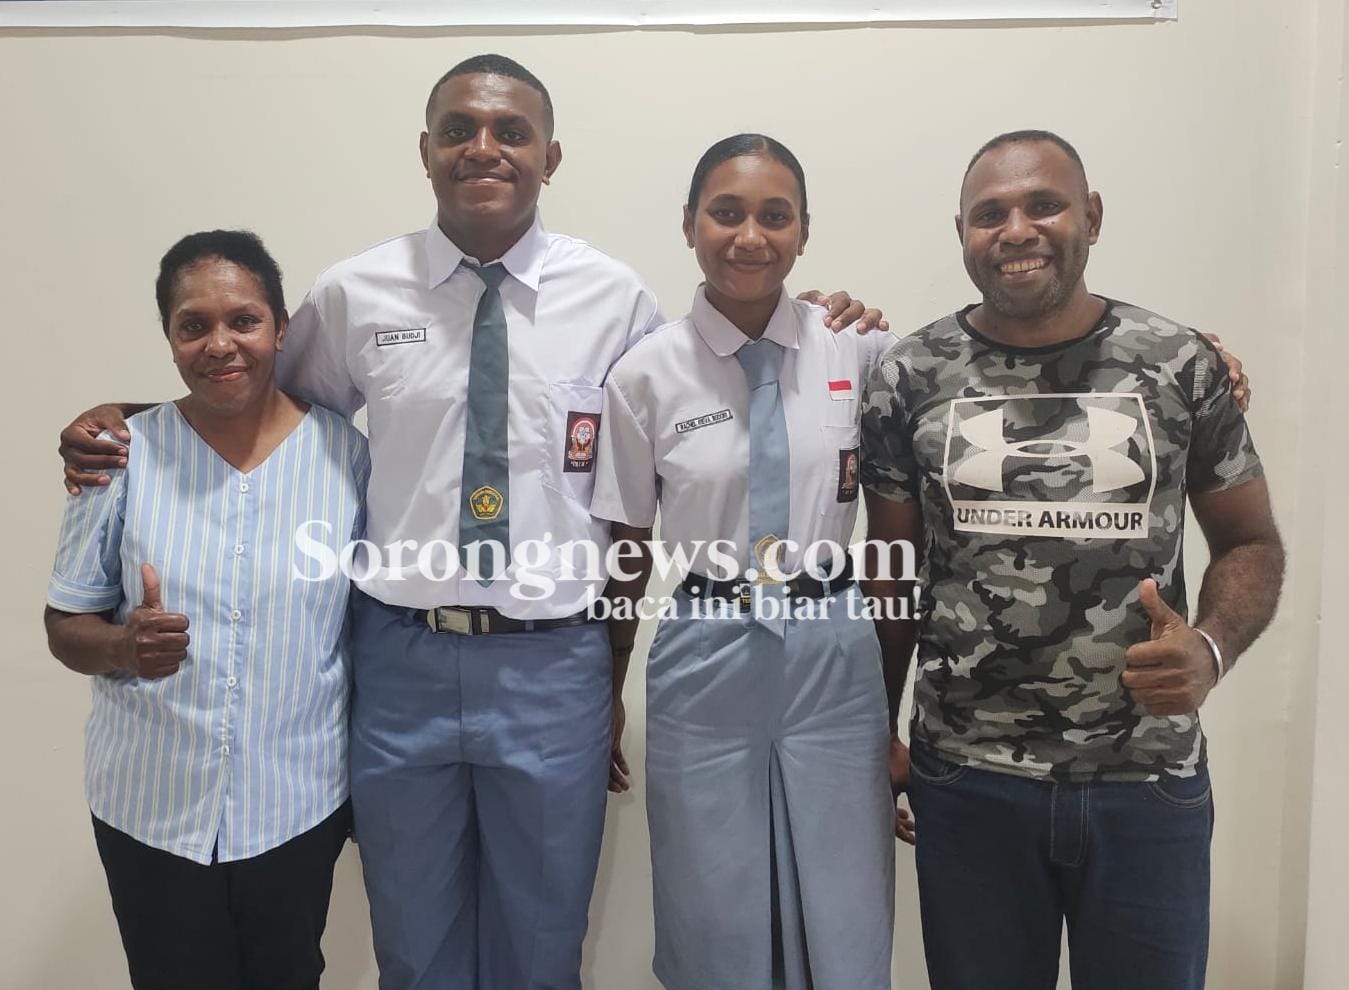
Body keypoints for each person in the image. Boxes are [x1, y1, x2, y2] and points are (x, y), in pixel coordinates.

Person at [54, 56, 883, 990]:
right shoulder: (355, 293)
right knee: (415, 947)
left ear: (550, 156)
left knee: (543, 946)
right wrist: (127, 420)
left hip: (553, 664)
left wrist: (822, 323)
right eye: (458, 130)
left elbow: (704, 396)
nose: (483, 148)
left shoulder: (614, 301)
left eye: (511, 132)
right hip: (398, 661)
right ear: (425, 151)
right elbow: (251, 404)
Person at [860, 130, 1285, 990]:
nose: (1016, 230)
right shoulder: (908, 375)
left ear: (1090, 216)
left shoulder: (1178, 363)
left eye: (1043, 205)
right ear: (961, 233)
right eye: (989, 214)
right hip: (966, 780)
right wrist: (877, 730)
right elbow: (892, 568)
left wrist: (1209, 650)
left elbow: (1250, 541)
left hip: (1144, 780)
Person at [592, 134, 900, 990]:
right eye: (725, 213)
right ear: (689, 224)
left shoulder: (860, 351)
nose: (750, 236)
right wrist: (607, 685)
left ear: (804, 231)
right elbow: (627, 547)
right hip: (706, 646)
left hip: (832, 650)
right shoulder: (644, 375)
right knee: (710, 903)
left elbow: (976, 367)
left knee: (846, 900)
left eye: (775, 215)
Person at [44, 230, 369, 990]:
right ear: (170, 339)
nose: (220, 344)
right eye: (194, 325)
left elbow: (366, 628)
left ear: (281, 328)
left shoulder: (346, 458)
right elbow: (64, 626)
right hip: (150, 807)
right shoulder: (120, 455)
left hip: (297, 803)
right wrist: (122, 647)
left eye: (243, 320)